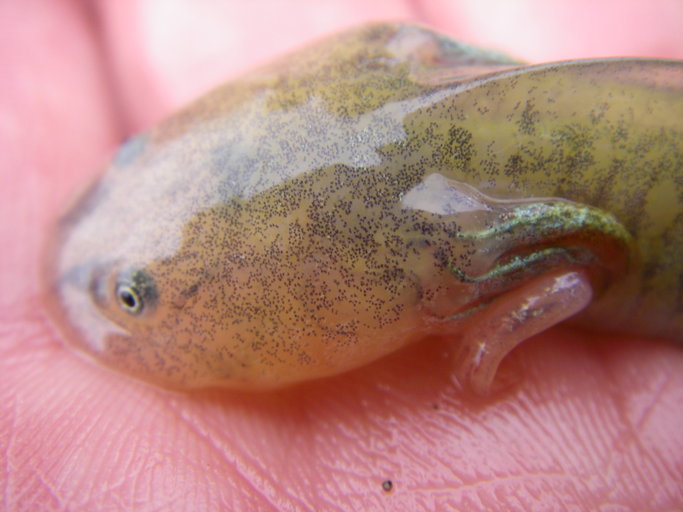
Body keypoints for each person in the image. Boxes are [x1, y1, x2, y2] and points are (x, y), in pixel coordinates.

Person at [2, 1, 682, 510]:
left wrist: (491, 337)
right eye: (133, 153)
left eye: (133, 295)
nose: (121, 300)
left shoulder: (447, 226)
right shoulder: (451, 172)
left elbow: (568, 282)